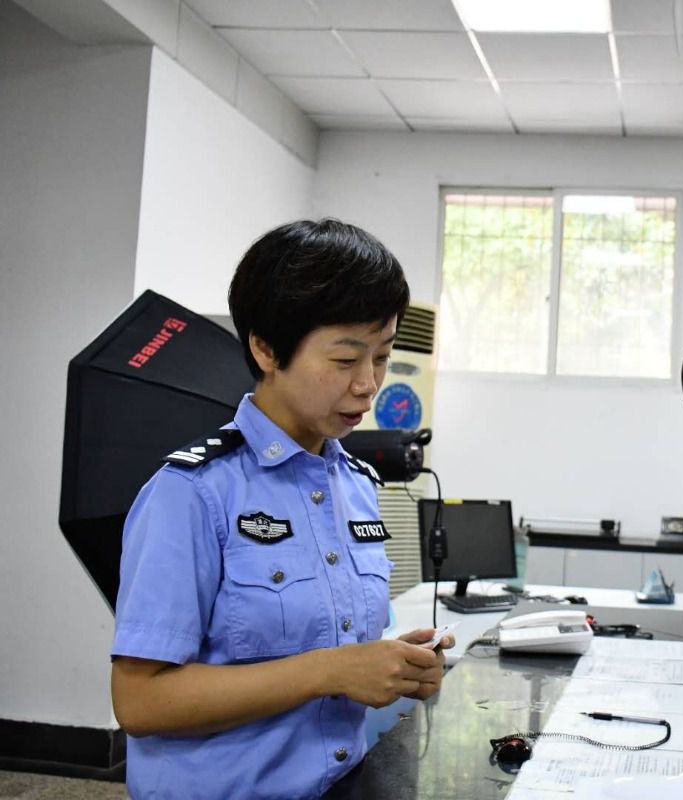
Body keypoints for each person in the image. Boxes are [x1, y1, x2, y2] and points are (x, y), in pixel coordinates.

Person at [110, 219, 453, 800]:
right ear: (266, 349)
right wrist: (333, 669)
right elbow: (140, 701)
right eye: (346, 360)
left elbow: (343, 643)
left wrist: (393, 662)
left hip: (343, 782)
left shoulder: (357, 485)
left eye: (383, 356)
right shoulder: (194, 494)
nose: (369, 385)